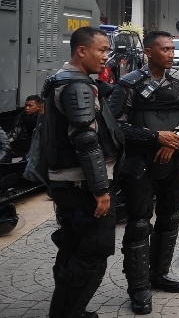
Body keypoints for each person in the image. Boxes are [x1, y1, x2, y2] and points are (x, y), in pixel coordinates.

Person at [111, 30, 179, 314]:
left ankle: (160, 273)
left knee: (171, 217)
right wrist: (155, 138)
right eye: (165, 49)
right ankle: (138, 286)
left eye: (172, 49)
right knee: (139, 224)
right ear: (149, 53)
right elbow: (116, 126)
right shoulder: (129, 84)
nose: (171, 54)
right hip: (140, 164)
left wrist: (176, 138)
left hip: (175, 161)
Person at [41, 27, 123, 318]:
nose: (106, 57)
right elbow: (86, 142)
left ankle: (68, 310)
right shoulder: (76, 87)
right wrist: (100, 190)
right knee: (92, 254)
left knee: (73, 247)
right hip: (81, 185)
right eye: (101, 50)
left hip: (70, 183)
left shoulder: (63, 80)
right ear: (81, 51)